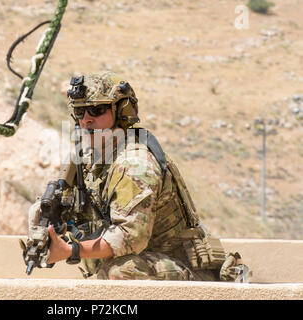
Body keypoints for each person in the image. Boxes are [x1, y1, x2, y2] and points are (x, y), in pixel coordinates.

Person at [28, 71, 248, 281]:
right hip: (147, 261)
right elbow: (70, 204)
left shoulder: (134, 164)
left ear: (122, 111)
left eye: (96, 110)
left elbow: (129, 237)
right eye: (79, 112)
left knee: (121, 272)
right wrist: (46, 223)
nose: (86, 120)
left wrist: (70, 250)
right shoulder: (90, 158)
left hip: (180, 268)